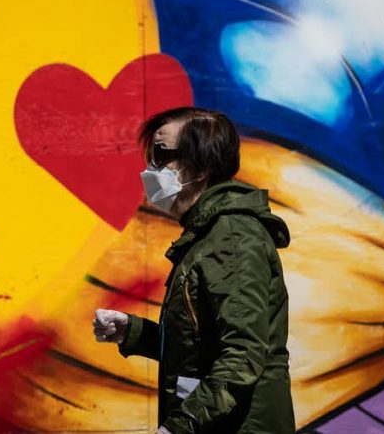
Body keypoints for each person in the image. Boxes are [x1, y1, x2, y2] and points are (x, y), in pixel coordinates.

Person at [92, 107, 294, 434]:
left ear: (199, 168)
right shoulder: (206, 234)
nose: (150, 168)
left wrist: (181, 426)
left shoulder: (231, 236)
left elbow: (243, 356)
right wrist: (134, 333)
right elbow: (203, 350)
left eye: (160, 154)